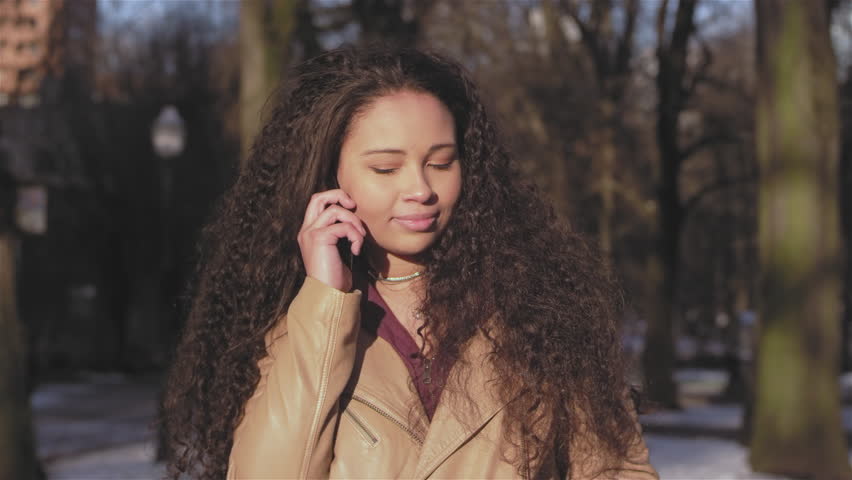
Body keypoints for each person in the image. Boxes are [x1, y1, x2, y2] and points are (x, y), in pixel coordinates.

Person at [161, 44, 659, 480]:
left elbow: (617, 468)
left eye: (441, 162)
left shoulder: (540, 307)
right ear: (329, 175)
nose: (421, 189)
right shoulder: (286, 322)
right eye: (385, 167)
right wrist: (325, 305)